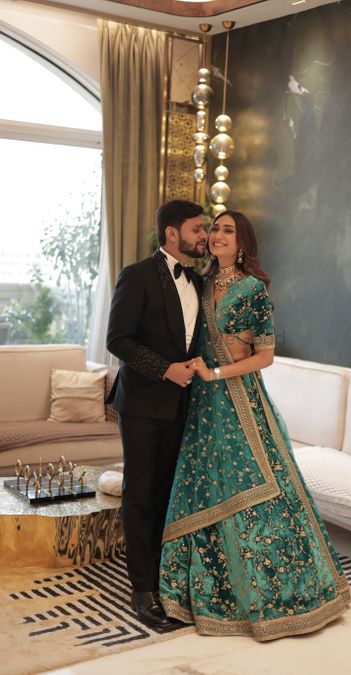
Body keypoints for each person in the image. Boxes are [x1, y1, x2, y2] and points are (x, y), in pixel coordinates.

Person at [159, 210, 351, 641]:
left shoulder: (252, 291)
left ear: (242, 243)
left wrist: (216, 374)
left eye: (228, 231)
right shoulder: (202, 285)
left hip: (239, 400)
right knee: (206, 483)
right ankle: (207, 590)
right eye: (215, 230)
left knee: (254, 484)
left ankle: (275, 592)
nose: (217, 236)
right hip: (203, 404)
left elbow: (265, 357)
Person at [106, 199, 207, 629]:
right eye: (198, 228)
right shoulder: (137, 275)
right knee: (141, 495)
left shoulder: (201, 283)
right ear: (172, 233)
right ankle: (142, 591)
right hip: (144, 404)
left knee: (169, 495)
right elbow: (118, 340)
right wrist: (164, 369)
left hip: (186, 406)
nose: (204, 236)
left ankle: (167, 583)